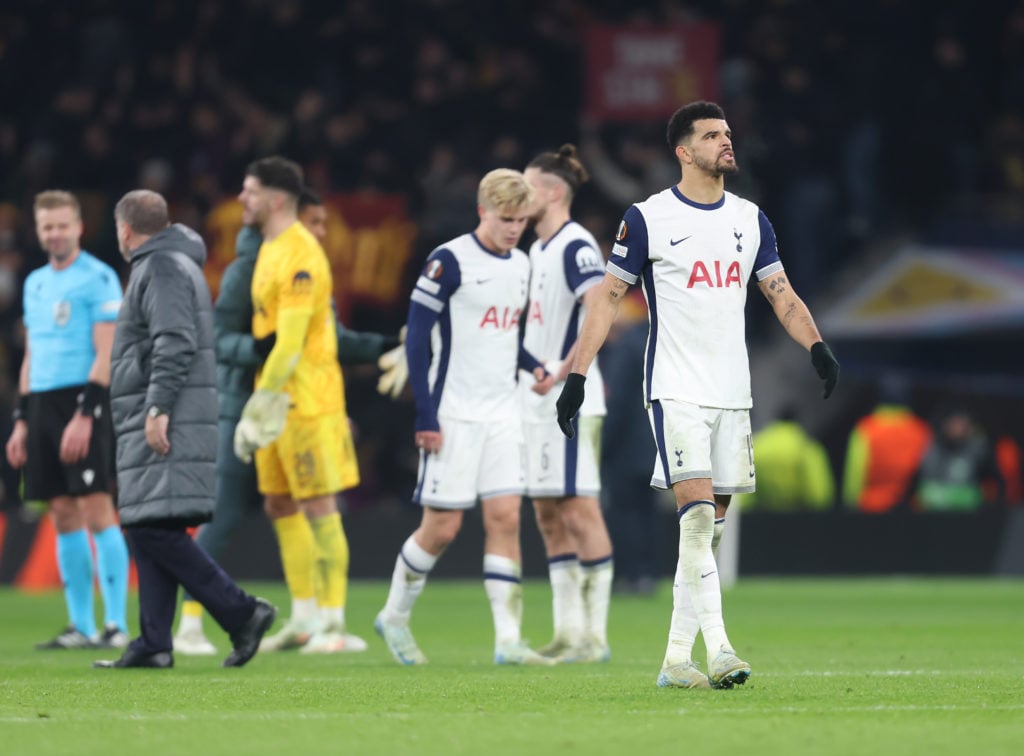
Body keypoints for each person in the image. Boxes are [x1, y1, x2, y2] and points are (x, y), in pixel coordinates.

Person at [554, 101, 840, 689]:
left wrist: (817, 346)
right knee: (698, 518)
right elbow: (607, 299)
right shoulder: (648, 217)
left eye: (728, 133)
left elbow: (780, 294)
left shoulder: (751, 219)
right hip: (676, 388)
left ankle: (674, 661)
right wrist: (578, 375)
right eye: (712, 135)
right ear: (684, 152)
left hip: (734, 394)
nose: (726, 142)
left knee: (706, 534)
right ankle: (723, 651)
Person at [173, 185, 406, 655]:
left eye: (321, 225)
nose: (321, 232)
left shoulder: (309, 270)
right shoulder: (250, 269)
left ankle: (306, 617)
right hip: (244, 403)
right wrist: (259, 351)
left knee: (284, 505)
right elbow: (217, 337)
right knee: (221, 510)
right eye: (316, 222)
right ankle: (190, 623)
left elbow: (332, 339)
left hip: (289, 405)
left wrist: (387, 345)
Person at [374, 168, 555, 666]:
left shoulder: (521, 264)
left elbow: (506, 334)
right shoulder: (448, 261)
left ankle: (509, 640)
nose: (514, 228)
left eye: (521, 220)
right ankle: (393, 615)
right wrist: (425, 415)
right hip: (452, 411)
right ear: (482, 212)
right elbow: (415, 338)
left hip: (503, 411)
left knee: (504, 518)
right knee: (443, 528)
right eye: (505, 219)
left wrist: (532, 364)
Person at [95, 189, 275, 669]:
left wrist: (157, 408)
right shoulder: (173, 265)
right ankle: (154, 642)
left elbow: (174, 342)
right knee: (150, 523)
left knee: (153, 529)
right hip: (166, 414)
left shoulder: (160, 268)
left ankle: (242, 612)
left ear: (126, 229)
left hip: (168, 418)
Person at [230, 157, 369, 655]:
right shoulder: (268, 248)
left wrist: (258, 403)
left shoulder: (300, 254)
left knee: (318, 504)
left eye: (249, 191)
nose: (241, 199)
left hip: (307, 400)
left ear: (275, 198)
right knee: (279, 503)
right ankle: (305, 618)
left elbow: (289, 344)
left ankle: (334, 624)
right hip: (278, 400)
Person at [4, 190, 129, 650]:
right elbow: (32, 354)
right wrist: (21, 419)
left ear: (78, 226)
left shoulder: (98, 278)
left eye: (62, 225)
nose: (54, 234)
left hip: (84, 400)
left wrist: (85, 414)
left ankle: (116, 625)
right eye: (46, 227)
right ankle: (81, 625)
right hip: (41, 404)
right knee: (59, 511)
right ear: (38, 232)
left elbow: (108, 350)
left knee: (96, 506)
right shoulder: (35, 282)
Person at [520, 145, 614, 662]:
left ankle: (595, 637)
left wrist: (564, 370)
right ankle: (567, 631)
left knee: (580, 510)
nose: (520, 197)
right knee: (548, 513)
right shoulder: (535, 250)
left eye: (528, 187)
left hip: (572, 400)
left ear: (554, 192)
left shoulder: (576, 244)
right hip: (534, 402)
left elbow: (600, 307)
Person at [842, 378, 930, 513]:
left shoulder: (866, 428)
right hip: (910, 509)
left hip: (871, 507)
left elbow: (856, 471)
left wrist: (851, 503)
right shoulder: (920, 430)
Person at [738, 405, 835, 512]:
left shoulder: (757, 447)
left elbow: (744, 496)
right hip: (799, 520)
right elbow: (820, 496)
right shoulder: (807, 448)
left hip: (764, 519)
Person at [910, 407, 1004, 512]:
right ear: (945, 425)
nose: (958, 429)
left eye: (963, 425)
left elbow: (991, 485)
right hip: (931, 512)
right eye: (955, 424)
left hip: (967, 514)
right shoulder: (928, 447)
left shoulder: (979, 450)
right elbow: (915, 484)